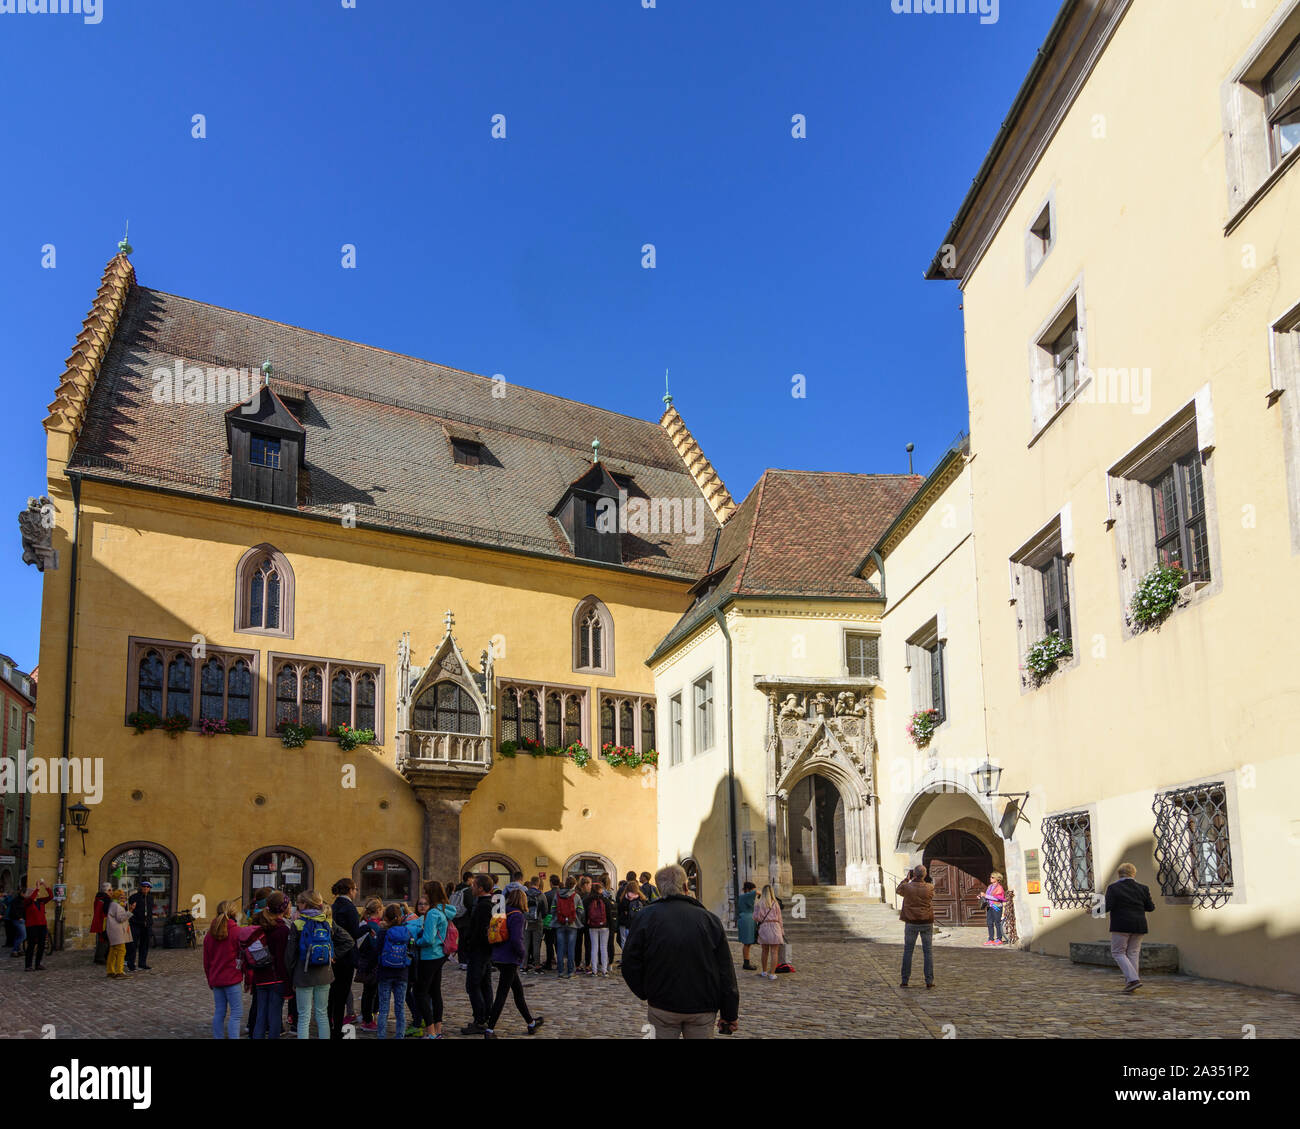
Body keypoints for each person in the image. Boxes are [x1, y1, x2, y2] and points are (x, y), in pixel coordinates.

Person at [621, 864, 739, 1039]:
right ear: (685, 887)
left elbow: (630, 963)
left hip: (663, 1003)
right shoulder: (709, 920)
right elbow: (726, 971)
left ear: (660, 889)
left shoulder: (645, 917)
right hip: (702, 1005)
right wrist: (729, 1014)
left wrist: (646, 991)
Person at [285, 889, 354, 1040]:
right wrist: (333, 955)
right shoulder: (327, 922)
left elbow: (290, 956)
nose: (298, 906)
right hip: (325, 974)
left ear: (306, 904)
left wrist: (292, 977)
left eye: (299, 903)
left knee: (303, 1016)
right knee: (322, 1014)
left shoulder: (297, 924)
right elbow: (349, 940)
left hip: (303, 974)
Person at [484, 887, 544, 1038]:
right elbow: (516, 940)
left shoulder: (502, 912)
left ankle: (531, 1022)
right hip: (509, 958)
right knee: (502, 994)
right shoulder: (517, 916)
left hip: (499, 956)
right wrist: (522, 955)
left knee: (518, 991)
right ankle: (489, 1029)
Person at [409, 881, 454, 1039]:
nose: (424, 894)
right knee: (435, 992)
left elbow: (428, 939)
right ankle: (437, 1029)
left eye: (426, 892)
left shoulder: (433, 913)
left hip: (429, 956)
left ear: (431, 894)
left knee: (420, 993)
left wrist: (415, 942)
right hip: (440, 955)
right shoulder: (443, 910)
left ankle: (430, 1032)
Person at [203, 900, 254, 1035]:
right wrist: (249, 979)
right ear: (234, 913)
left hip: (217, 979)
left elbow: (206, 962)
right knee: (236, 1013)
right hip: (232, 979)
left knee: (219, 1012)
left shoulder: (209, 935)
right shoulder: (238, 932)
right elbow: (245, 959)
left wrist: (210, 980)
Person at [1105, 862, 1156, 994]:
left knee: (1118, 952)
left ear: (1119, 874)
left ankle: (1133, 980)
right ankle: (1131, 982)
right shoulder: (1143, 888)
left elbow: (1107, 906)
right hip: (1139, 924)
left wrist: (1092, 911)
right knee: (1133, 953)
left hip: (1121, 924)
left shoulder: (1113, 888)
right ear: (1133, 873)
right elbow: (1150, 907)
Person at [248, 891, 292, 1039]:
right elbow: (282, 960)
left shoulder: (259, 924)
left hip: (260, 977)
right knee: (274, 1017)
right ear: (284, 908)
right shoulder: (282, 930)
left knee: (261, 1014)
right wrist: (287, 985)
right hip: (276, 979)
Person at [460, 873, 496, 1035]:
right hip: (486, 952)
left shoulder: (483, 905)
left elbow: (480, 932)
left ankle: (480, 1019)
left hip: (479, 952)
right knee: (485, 985)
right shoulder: (490, 903)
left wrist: (468, 943)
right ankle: (486, 1016)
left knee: (474, 985)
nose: (472, 888)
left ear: (481, 888)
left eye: (474, 885)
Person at [328, 878, 362, 1039]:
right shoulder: (350, 908)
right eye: (355, 889)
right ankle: (337, 1030)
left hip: (333, 955)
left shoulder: (334, 906)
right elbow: (354, 934)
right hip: (346, 955)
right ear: (349, 890)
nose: (356, 892)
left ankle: (328, 1025)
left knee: (332, 993)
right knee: (342, 994)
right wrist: (367, 927)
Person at [374, 902, 413, 1038]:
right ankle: (400, 1036)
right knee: (400, 1008)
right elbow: (411, 951)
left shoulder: (383, 932)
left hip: (385, 973)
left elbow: (377, 950)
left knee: (383, 1009)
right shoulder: (407, 932)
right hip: (402, 973)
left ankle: (381, 1036)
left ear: (386, 918)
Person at [897, 864, 935, 989]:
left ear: (913, 874)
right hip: (926, 921)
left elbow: (898, 890)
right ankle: (929, 980)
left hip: (911, 921)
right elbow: (931, 896)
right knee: (927, 952)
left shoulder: (907, 887)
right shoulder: (930, 887)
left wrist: (907, 879)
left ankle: (905, 980)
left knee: (908, 951)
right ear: (925, 875)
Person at [354, 896, 384, 1031]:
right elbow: (374, 947)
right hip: (371, 963)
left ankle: (367, 1016)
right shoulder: (374, 927)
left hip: (365, 962)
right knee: (370, 992)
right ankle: (368, 1019)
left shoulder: (363, 924)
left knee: (369, 991)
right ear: (378, 910)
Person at [751, 885, 785, 981]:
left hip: (764, 927)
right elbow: (780, 919)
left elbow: (755, 917)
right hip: (775, 927)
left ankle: (764, 971)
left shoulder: (758, 904)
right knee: (774, 952)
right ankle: (772, 974)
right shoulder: (776, 904)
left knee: (764, 951)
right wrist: (782, 931)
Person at [553, 875, 583, 979]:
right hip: (572, 925)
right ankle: (571, 971)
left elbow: (553, 909)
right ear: (574, 884)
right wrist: (574, 919)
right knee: (571, 949)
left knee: (560, 948)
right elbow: (581, 911)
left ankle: (560, 971)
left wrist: (558, 918)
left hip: (559, 924)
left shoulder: (557, 895)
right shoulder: (576, 896)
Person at [22, 879, 52, 971]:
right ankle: (28, 965)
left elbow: (51, 896)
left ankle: (38, 964)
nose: (37, 893)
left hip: (42, 925)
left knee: (41, 945)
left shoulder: (40, 901)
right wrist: (37, 888)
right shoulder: (27, 902)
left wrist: (45, 885)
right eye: (34, 892)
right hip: (32, 926)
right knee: (31, 945)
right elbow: (31, 898)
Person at [126, 879, 155, 972]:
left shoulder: (150, 898)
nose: (145, 888)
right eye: (144, 886)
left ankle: (142, 963)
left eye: (147, 887)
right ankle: (131, 964)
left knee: (144, 945)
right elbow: (129, 910)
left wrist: (150, 922)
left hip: (146, 925)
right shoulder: (134, 897)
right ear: (141, 887)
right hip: (136, 924)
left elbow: (150, 911)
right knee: (133, 945)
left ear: (149, 888)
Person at [585, 880, 612, 977]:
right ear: (600, 890)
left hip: (592, 926)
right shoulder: (605, 900)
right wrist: (611, 927)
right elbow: (609, 915)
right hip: (604, 926)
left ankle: (594, 971)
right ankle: (604, 970)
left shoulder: (587, 900)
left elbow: (585, 915)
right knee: (604, 948)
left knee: (594, 948)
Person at [103, 890, 131, 980]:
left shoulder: (114, 904)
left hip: (113, 931)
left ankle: (110, 971)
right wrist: (130, 911)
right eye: (121, 896)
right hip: (117, 931)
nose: (124, 897)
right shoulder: (116, 906)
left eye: (124, 896)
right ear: (117, 897)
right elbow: (120, 918)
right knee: (121, 950)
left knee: (113, 951)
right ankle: (119, 971)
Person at [523, 877, 545, 972]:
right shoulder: (541, 895)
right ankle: (537, 965)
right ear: (538, 883)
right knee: (536, 945)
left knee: (525, 944)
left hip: (526, 922)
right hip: (538, 922)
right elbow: (545, 910)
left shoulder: (524, 894)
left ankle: (524, 966)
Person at [618, 877, 646, 951]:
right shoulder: (641, 898)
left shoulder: (624, 898)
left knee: (624, 940)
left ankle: (625, 957)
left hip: (624, 922)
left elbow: (619, 909)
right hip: (637, 922)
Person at [981, 872, 1008, 946]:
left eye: (992, 877)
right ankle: (991, 939)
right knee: (989, 923)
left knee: (997, 922)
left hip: (996, 907)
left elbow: (997, 898)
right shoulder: (990, 886)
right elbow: (987, 896)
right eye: (991, 877)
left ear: (997, 879)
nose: (990, 878)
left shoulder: (999, 888)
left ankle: (999, 939)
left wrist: (986, 895)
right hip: (989, 906)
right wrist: (982, 896)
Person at [736, 881, 758, 970]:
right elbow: (755, 892)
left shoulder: (743, 897)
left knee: (748, 943)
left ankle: (746, 962)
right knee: (747, 942)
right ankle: (746, 963)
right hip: (747, 919)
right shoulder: (745, 895)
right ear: (748, 889)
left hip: (746, 918)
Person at [90, 882, 113, 965]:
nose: (112, 892)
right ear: (108, 890)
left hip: (100, 921)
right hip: (104, 921)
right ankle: (101, 957)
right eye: (111, 890)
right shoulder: (105, 898)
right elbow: (107, 911)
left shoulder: (99, 897)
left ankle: (100, 957)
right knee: (105, 940)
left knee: (103, 939)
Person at [542, 873, 561, 971]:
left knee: (549, 943)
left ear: (550, 883)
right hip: (560, 922)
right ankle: (559, 963)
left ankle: (549, 963)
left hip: (549, 922)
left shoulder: (547, 894)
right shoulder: (562, 894)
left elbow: (544, 910)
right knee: (558, 943)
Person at [6, 889, 25, 957]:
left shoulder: (23, 900)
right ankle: (14, 950)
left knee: (18, 935)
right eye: (24, 893)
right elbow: (13, 910)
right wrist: (19, 917)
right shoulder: (16, 900)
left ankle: (17, 950)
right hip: (17, 920)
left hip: (21, 919)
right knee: (23, 935)